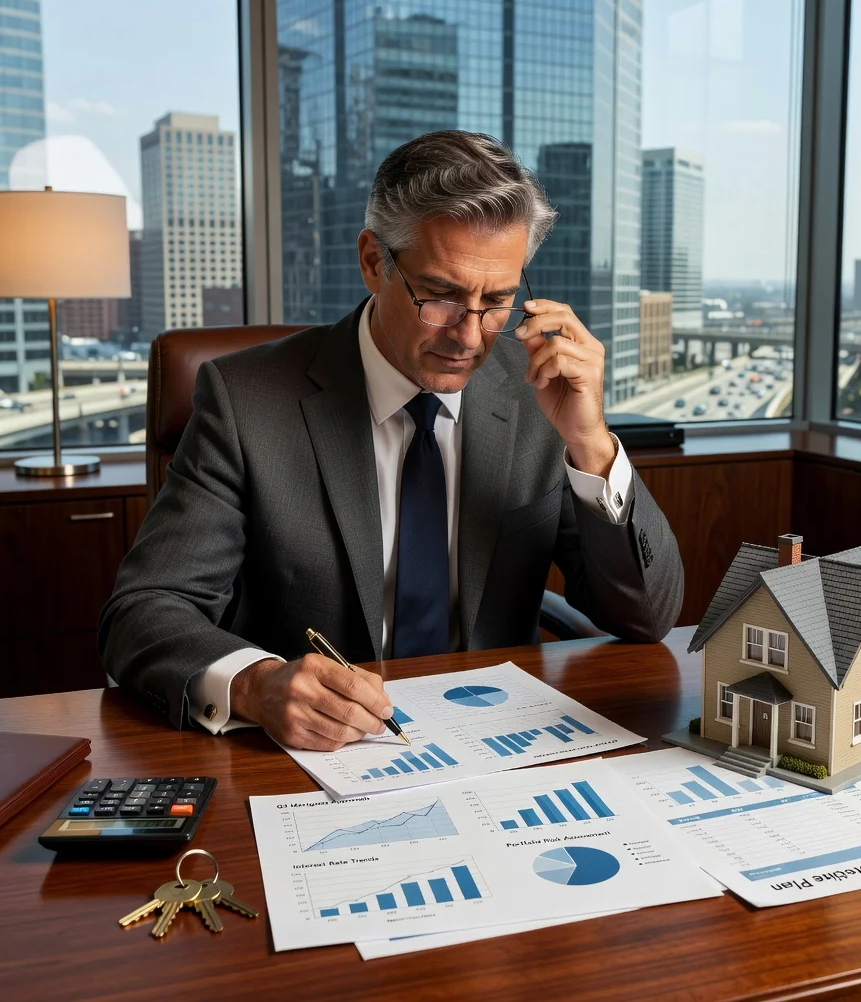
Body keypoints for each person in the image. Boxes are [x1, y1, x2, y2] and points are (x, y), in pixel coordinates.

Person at [99, 131, 684, 750]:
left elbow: (646, 617)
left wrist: (591, 445)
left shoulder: (538, 391)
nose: (470, 335)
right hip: (312, 760)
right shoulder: (247, 401)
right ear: (374, 261)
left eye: (499, 301)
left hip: (497, 743)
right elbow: (144, 609)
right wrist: (256, 684)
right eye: (441, 296)